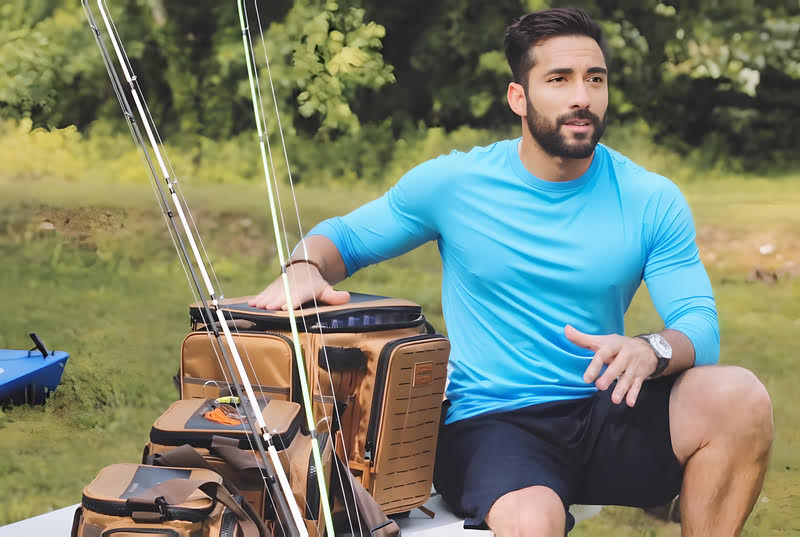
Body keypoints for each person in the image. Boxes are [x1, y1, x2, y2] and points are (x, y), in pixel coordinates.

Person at [249, 8, 773, 537]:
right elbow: (343, 238)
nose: (581, 97)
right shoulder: (455, 184)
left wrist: (650, 349)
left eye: (595, 79)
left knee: (740, 398)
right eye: (559, 79)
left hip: (605, 408)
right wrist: (303, 267)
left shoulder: (650, 198)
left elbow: (698, 325)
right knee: (530, 522)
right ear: (518, 98)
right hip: (495, 423)